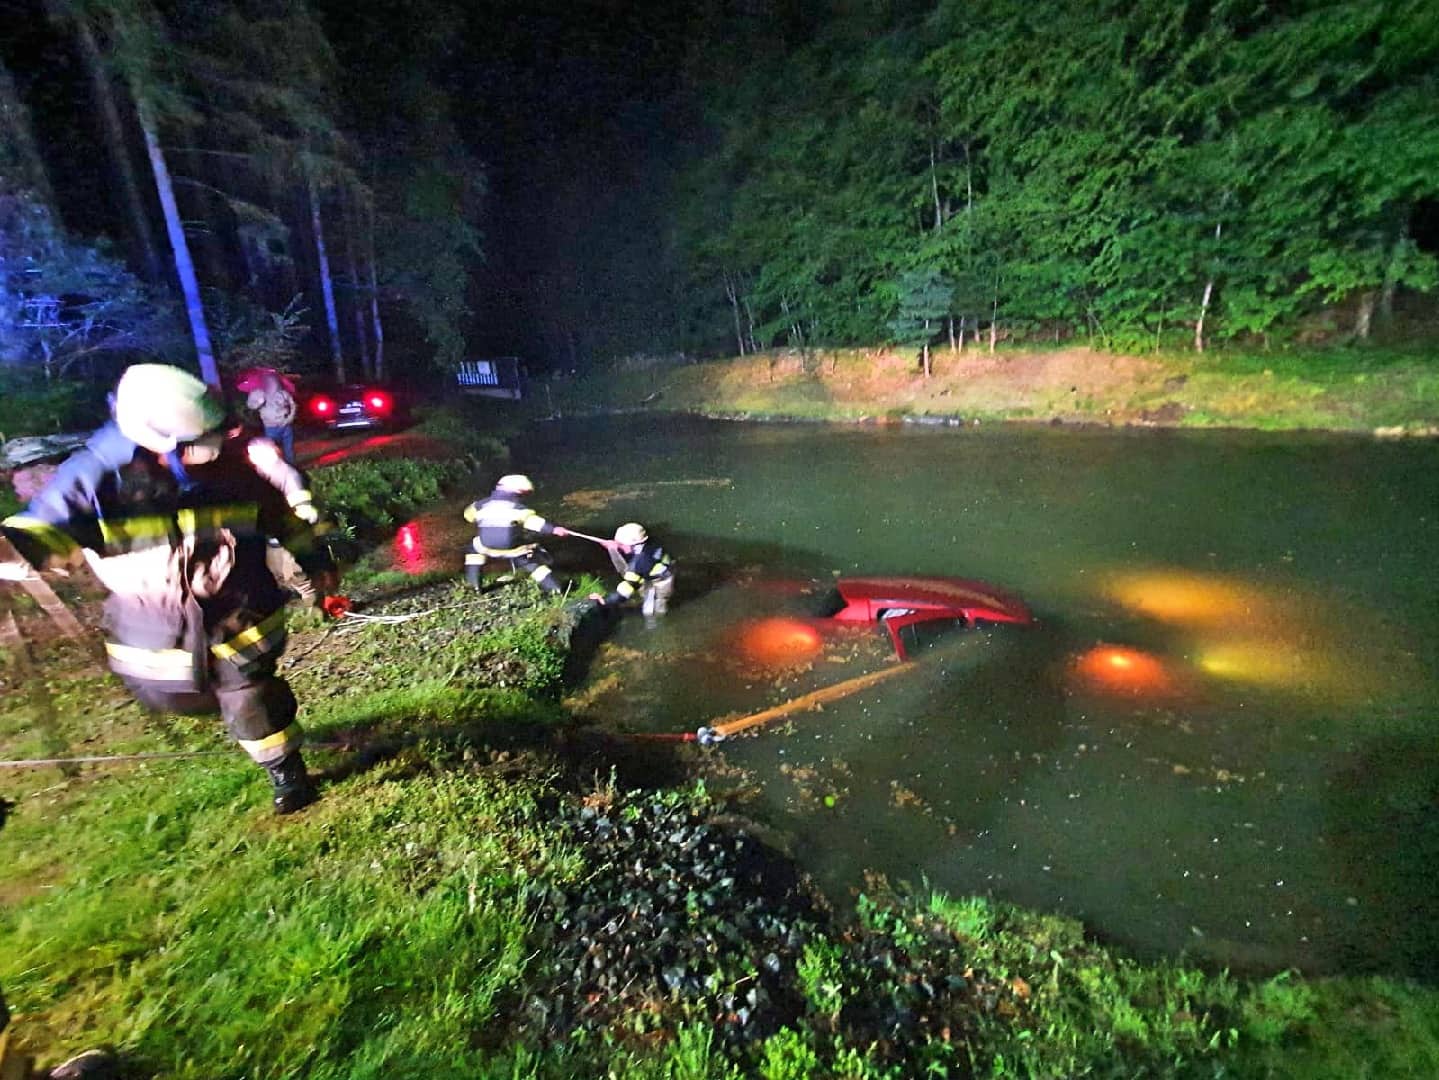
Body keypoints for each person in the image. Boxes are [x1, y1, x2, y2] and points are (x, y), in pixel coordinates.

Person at [0, 364, 337, 815]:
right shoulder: (93, 480)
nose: (213, 448)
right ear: (156, 441)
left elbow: (281, 514)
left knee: (251, 699)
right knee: (189, 696)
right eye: (199, 442)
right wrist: (12, 548)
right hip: (156, 635)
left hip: (240, 618)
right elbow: (39, 531)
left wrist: (316, 561)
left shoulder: (228, 467)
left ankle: (286, 773)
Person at [462, 474, 570, 593]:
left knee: (473, 551)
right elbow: (535, 523)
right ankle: (554, 587)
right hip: (513, 549)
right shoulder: (519, 509)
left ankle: (474, 585)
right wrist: (554, 529)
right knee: (531, 562)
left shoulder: (480, 505)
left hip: (485, 547)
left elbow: (468, 516)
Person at [588, 522, 674, 625]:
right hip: (654, 571)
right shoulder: (649, 544)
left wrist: (605, 601)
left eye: (621, 545)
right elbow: (629, 558)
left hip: (660, 582)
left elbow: (626, 590)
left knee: (651, 611)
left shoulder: (639, 562)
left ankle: (657, 623)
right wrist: (612, 548)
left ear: (634, 545)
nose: (619, 547)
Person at [245, 371, 297, 464]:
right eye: (268, 380)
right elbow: (250, 405)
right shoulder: (257, 393)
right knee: (271, 449)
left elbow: (293, 405)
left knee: (288, 448)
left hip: (285, 425)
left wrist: (290, 418)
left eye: (273, 380)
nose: (272, 382)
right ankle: (275, 466)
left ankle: (291, 464)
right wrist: (258, 403)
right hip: (270, 427)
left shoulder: (283, 393)